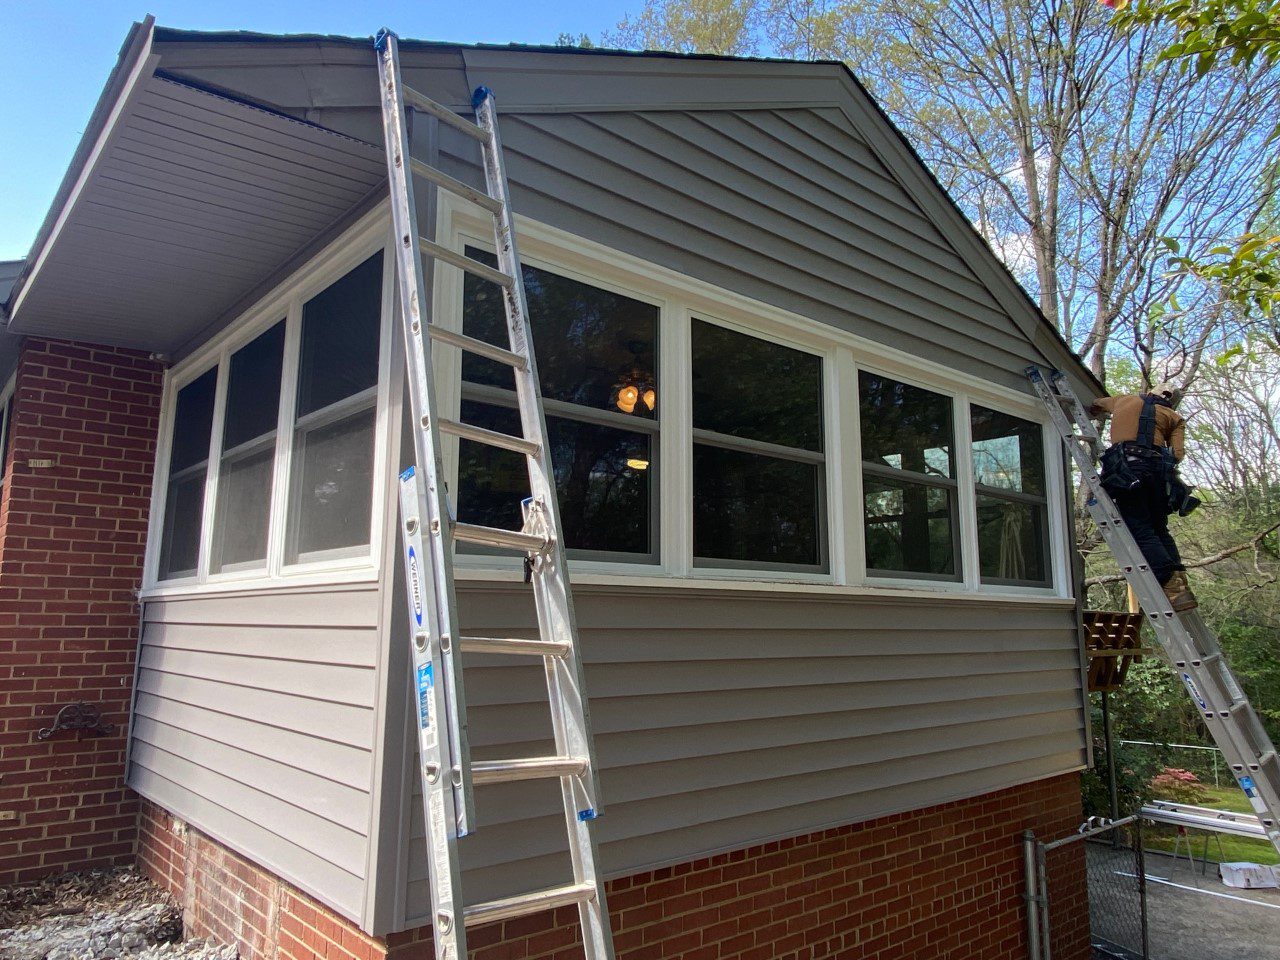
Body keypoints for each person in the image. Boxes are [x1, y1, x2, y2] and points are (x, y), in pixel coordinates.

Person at [1090, 383, 1198, 611]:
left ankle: (1170, 584)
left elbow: (1098, 403)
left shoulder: (1124, 400)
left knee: (1140, 528)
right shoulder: (1174, 417)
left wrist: (1097, 409)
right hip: (1158, 476)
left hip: (1127, 472)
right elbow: (1177, 454)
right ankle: (1180, 583)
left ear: (1150, 392)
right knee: (1159, 527)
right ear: (1170, 400)